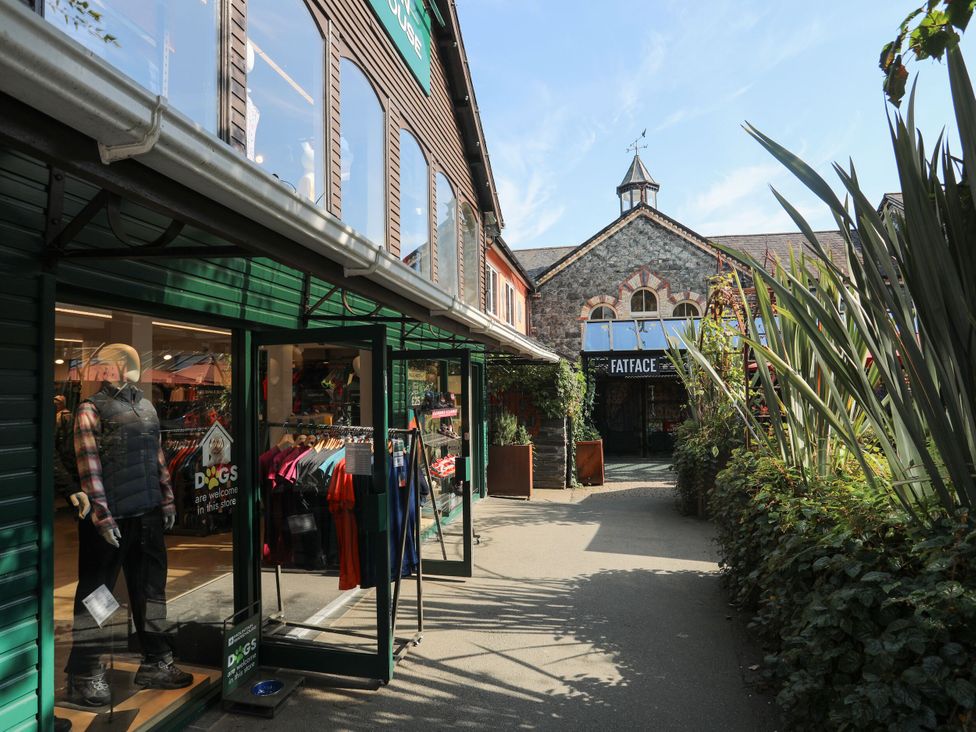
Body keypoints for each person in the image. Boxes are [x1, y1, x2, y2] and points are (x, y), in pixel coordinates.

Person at [65, 344, 192, 708]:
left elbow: (158, 458)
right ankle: (84, 672)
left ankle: (156, 659)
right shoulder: (90, 409)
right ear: (114, 368)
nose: (136, 367)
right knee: (98, 597)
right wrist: (101, 515)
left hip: (147, 513)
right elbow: (87, 464)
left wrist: (166, 498)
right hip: (111, 518)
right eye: (129, 362)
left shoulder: (147, 407)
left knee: (151, 590)